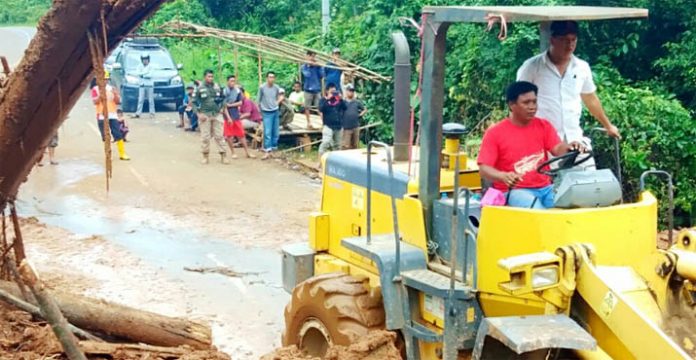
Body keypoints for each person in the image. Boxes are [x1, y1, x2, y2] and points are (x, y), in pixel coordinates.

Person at [516, 20, 619, 165]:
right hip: (542, 141)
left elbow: (590, 99)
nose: (570, 45)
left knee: (586, 182)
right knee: (547, 183)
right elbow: (517, 103)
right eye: (564, 40)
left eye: (573, 40)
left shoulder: (582, 67)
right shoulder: (532, 67)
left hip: (575, 139)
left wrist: (608, 126)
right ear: (552, 39)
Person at [477, 81, 586, 209]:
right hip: (514, 191)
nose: (532, 107)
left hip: (546, 188)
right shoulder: (495, 132)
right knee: (538, 212)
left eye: (534, 102)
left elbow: (557, 149)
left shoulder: (543, 125)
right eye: (526, 102)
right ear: (511, 105)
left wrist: (570, 147)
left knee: (573, 205)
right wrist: (503, 176)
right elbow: (484, 169)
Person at [193, 69, 228, 165]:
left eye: (212, 76)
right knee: (205, 137)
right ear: (205, 77)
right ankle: (205, 156)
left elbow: (223, 98)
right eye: (209, 76)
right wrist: (199, 114)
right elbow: (194, 102)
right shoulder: (199, 88)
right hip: (205, 115)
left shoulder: (217, 87)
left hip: (216, 114)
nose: (211, 78)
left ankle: (223, 155)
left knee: (219, 136)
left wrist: (222, 108)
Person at [90, 77, 130, 160]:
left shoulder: (111, 88)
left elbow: (118, 101)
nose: (105, 81)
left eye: (106, 79)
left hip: (112, 114)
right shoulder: (95, 89)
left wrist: (115, 94)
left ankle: (122, 154)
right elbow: (95, 102)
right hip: (101, 115)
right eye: (103, 79)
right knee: (105, 136)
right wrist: (101, 96)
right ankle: (108, 154)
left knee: (118, 134)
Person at [222, 75, 254, 159]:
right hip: (227, 116)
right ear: (227, 82)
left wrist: (230, 105)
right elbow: (224, 106)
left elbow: (240, 102)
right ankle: (233, 152)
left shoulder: (237, 91)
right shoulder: (224, 92)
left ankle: (247, 152)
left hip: (236, 115)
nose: (233, 83)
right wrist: (228, 117)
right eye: (231, 81)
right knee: (229, 135)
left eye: (234, 81)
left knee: (241, 134)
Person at [257, 71, 283, 160]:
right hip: (266, 111)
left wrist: (277, 102)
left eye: (273, 77)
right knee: (267, 132)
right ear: (267, 78)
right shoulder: (262, 87)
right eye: (270, 77)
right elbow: (258, 100)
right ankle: (267, 150)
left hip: (275, 110)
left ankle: (274, 149)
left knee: (275, 131)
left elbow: (281, 96)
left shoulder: (276, 87)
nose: (271, 79)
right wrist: (259, 112)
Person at [318, 83, 346, 157]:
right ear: (327, 91)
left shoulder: (338, 100)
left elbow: (345, 108)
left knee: (337, 145)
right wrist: (328, 99)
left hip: (338, 126)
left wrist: (341, 99)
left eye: (334, 91)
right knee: (326, 142)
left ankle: (336, 162)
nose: (333, 93)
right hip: (328, 125)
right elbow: (321, 109)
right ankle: (320, 161)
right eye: (331, 92)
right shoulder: (323, 100)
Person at [301, 50, 324, 129]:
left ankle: (323, 123)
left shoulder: (318, 66)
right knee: (307, 107)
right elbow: (307, 75)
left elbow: (322, 75)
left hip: (317, 89)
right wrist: (309, 66)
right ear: (307, 56)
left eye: (314, 56)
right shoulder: (304, 66)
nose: (312, 58)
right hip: (308, 89)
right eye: (311, 56)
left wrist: (318, 66)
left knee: (320, 107)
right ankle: (309, 123)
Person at [341, 84, 366, 149]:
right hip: (346, 127)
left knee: (355, 145)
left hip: (355, 126)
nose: (351, 92)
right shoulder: (343, 102)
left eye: (352, 91)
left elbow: (365, 109)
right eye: (350, 91)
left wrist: (360, 115)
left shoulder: (356, 102)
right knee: (346, 146)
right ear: (346, 91)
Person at [134, 54, 155, 118]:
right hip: (142, 85)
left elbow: (150, 75)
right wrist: (145, 73)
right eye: (144, 60)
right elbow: (137, 73)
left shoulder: (151, 66)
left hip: (149, 85)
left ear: (148, 60)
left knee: (151, 100)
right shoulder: (139, 66)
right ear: (142, 60)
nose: (145, 61)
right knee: (140, 100)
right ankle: (138, 113)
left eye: (146, 59)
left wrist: (143, 75)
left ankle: (152, 113)